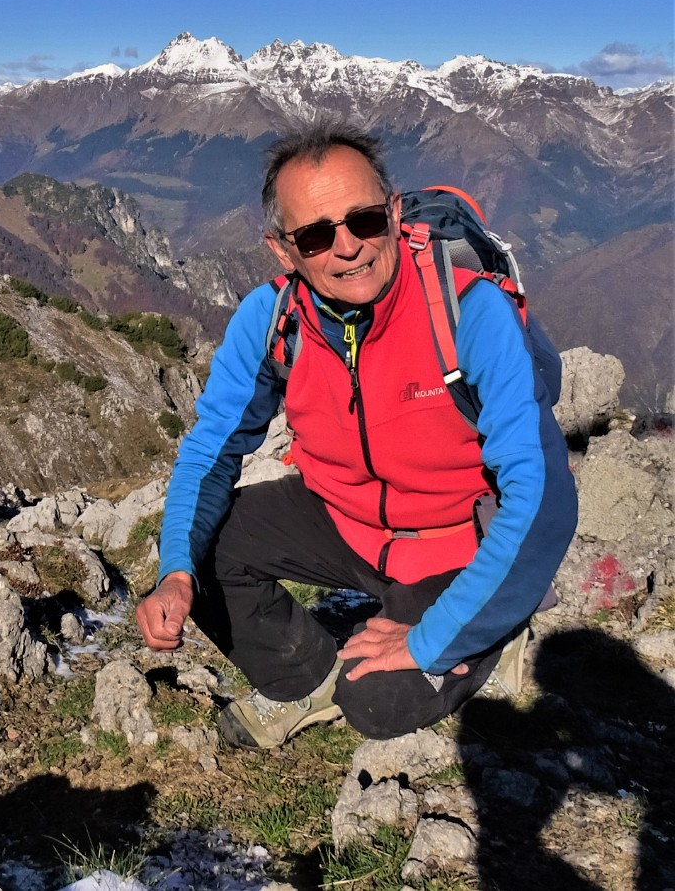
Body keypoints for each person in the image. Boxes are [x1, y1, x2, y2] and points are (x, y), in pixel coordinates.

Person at [136, 121, 577, 748]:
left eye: (364, 220)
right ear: (283, 250)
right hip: (344, 521)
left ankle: (492, 626)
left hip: (452, 542)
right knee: (200, 546)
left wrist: (430, 639)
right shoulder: (273, 321)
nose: (347, 248)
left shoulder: (467, 312)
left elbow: (539, 498)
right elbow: (210, 452)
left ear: (394, 214)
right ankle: (307, 679)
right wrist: (177, 571)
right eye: (316, 235)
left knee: (375, 702)